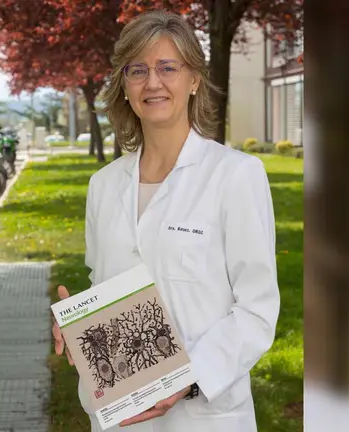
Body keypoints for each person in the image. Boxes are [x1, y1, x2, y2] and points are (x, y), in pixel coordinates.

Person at [52, 10, 280, 431]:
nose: (152, 82)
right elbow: (105, 284)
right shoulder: (104, 185)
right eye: (137, 70)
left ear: (194, 79)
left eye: (167, 68)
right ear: (124, 85)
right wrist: (78, 323)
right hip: (120, 417)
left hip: (204, 416)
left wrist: (187, 380)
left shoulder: (235, 175)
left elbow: (257, 309)